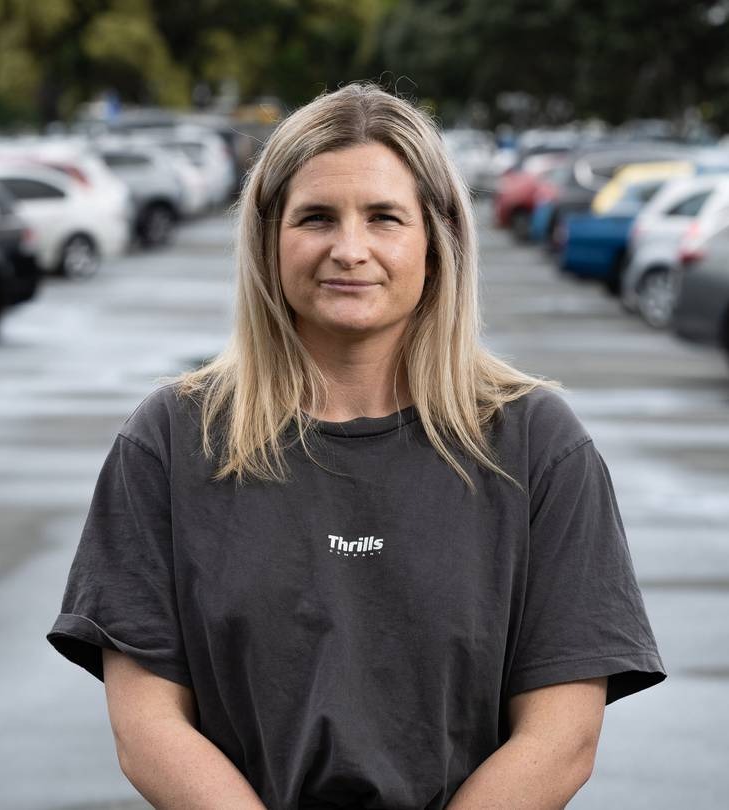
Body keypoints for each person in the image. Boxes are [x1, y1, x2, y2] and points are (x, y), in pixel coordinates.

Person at [48, 83, 665, 809]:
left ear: (436, 241)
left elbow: (562, 738)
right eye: (316, 217)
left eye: (384, 218)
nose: (349, 250)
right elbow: (148, 725)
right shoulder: (172, 439)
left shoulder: (536, 444)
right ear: (269, 240)